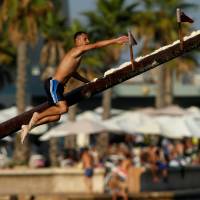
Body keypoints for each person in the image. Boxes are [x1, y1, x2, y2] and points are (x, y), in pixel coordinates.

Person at [20, 31, 129, 143]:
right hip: (54, 84)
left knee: (56, 116)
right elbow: (96, 45)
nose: (88, 41)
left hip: (57, 86)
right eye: (85, 39)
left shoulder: (77, 56)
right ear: (77, 41)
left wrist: (87, 81)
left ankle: (28, 126)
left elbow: (73, 73)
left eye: (88, 39)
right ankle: (37, 116)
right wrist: (115, 41)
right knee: (63, 108)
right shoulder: (77, 50)